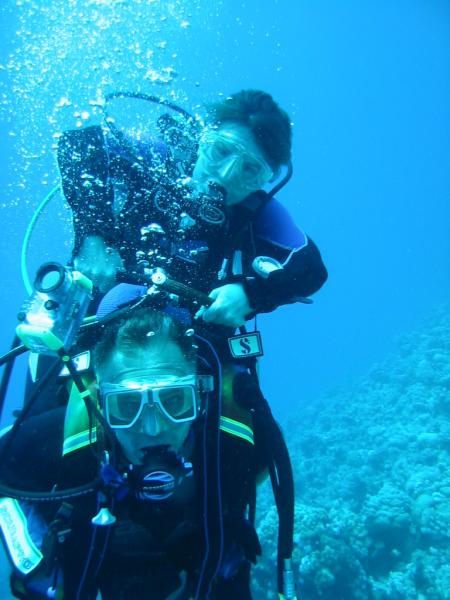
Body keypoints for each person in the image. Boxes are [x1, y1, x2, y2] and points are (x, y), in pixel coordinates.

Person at [0, 305, 263, 599]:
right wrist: (31, 558)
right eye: (127, 405)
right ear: (100, 403)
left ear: (200, 395)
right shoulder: (65, 435)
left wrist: (224, 511)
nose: (152, 429)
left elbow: (252, 473)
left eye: (174, 400)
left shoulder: (235, 437)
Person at [58, 89, 328, 329]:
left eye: (250, 169)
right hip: (93, 319)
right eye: (221, 151)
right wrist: (93, 237)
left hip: (189, 345)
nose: (226, 174)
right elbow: (80, 143)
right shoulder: (160, 163)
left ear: (264, 180)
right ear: (202, 141)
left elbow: (311, 267)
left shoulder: (255, 212)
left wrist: (252, 294)